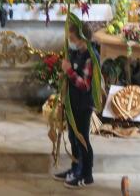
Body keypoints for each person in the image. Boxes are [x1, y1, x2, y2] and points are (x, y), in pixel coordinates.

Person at [54, 21, 97, 189]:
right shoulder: (76, 52)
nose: (70, 40)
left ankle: (87, 174)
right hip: (73, 102)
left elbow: (85, 85)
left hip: (83, 104)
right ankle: (75, 168)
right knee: (72, 137)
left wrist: (69, 71)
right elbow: (71, 73)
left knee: (82, 139)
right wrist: (64, 74)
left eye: (72, 38)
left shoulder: (90, 57)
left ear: (82, 38)